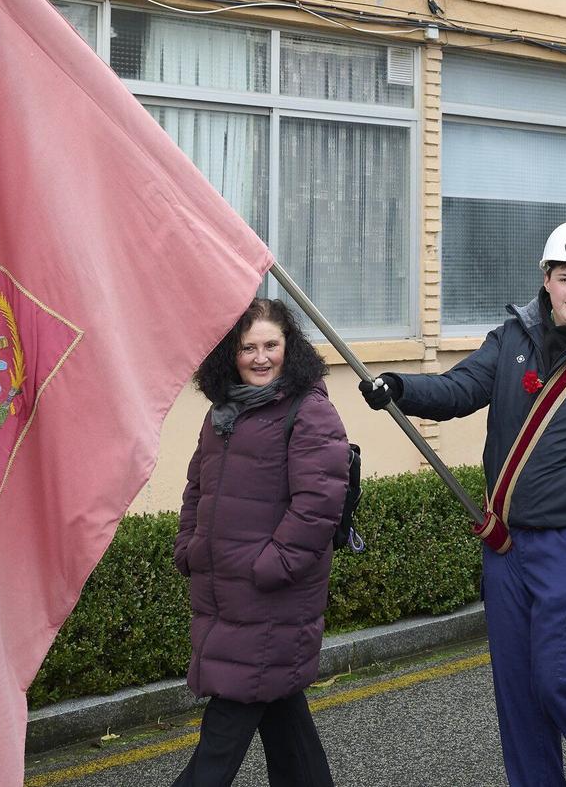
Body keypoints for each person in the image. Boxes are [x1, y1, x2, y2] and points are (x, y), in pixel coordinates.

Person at [360, 219, 566, 787]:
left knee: (562, 682)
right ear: (546, 280)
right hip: (505, 547)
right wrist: (399, 387)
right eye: (565, 277)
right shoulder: (512, 338)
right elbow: (460, 389)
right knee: (518, 692)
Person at [172, 299, 349, 787]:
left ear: (289, 349)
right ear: (231, 354)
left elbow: (318, 506)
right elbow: (197, 487)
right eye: (248, 347)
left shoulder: (309, 411)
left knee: (225, 730)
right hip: (226, 593)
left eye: (271, 345)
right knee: (280, 710)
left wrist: (268, 568)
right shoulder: (222, 414)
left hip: (270, 596)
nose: (260, 357)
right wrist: (189, 544)